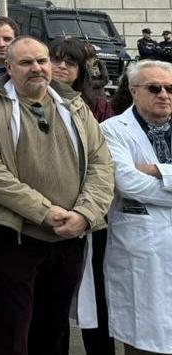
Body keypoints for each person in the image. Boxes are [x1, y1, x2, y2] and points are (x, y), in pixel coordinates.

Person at [0, 36, 114, 355]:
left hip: (69, 236)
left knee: (54, 330)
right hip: (16, 236)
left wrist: (85, 214)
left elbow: (101, 161)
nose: (37, 68)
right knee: (12, 332)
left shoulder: (73, 104)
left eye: (42, 61)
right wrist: (43, 211)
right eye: (27, 62)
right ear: (9, 66)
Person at [100, 60, 172, 355]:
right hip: (140, 247)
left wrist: (157, 170)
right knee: (143, 336)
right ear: (133, 91)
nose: (164, 95)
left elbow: (141, 181)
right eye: (154, 88)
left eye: (169, 88)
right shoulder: (112, 130)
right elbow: (127, 183)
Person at [49, 38, 116, 355]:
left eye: (69, 62)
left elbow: (102, 164)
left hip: (90, 218)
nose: (61, 67)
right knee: (54, 306)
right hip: (51, 217)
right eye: (56, 60)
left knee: (96, 300)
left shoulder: (98, 107)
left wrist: (86, 210)